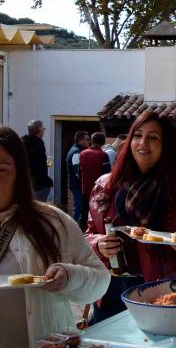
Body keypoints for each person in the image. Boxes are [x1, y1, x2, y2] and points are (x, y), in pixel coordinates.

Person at [0, 125, 110, 347]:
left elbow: (100, 281)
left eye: (0, 170)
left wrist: (68, 277)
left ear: (20, 172)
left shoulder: (52, 222)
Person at [85, 111, 176, 321]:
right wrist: (98, 243)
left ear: (165, 144)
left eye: (153, 137)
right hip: (109, 288)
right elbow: (89, 234)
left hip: (158, 288)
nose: (143, 143)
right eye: (137, 135)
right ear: (129, 140)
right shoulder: (105, 186)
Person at [79, 132, 112, 228]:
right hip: (99, 191)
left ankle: (81, 234)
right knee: (97, 214)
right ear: (103, 142)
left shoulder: (82, 153)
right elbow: (107, 175)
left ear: (91, 141)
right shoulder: (103, 155)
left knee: (84, 213)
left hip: (85, 189)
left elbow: (79, 172)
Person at [22, 119, 53, 202]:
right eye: (43, 129)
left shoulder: (23, 142)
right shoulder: (38, 144)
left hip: (27, 183)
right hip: (39, 185)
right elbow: (36, 166)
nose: (44, 131)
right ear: (39, 130)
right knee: (39, 209)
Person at [66, 130, 90, 223]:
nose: (89, 142)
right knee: (78, 207)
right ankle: (74, 227)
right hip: (77, 184)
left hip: (75, 183)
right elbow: (77, 171)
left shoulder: (75, 150)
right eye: (87, 140)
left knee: (79, 206)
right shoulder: (76, 152)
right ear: (81, 140)